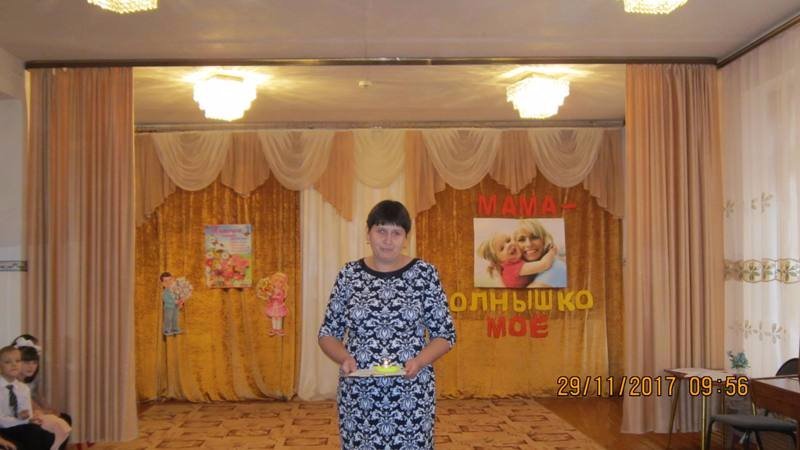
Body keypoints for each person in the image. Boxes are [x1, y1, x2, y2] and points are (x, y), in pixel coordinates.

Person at [318, 200, 456, 449]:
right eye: (381, 230)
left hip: (411, 394)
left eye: (396, 232)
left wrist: (419, 362)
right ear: (368, 233)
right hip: (359, 394)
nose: (388, 240)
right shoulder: (349, 275)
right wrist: (344, 358)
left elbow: (445, 334)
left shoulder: (425, 274)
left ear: (405, 238)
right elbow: (328, 333)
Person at [12, 338, 71, 450]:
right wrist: (45, 412)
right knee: (49, 427)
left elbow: (37, 401)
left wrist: (48, 411)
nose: (31, 366)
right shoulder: (13, 382)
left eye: (34, 363)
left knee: (62, 420)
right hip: (16, 421)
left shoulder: (25, 383)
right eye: (26, 362)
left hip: (28, 417)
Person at [0, 345, 55, 450]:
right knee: (32, 434)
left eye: (17, 361)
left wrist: (23, 416)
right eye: (8, 362)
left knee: (47, 436)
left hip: (17, 426)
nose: (14, 365)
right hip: (2, 429)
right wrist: (23, 421)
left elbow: (27, 414)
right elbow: (1, 421)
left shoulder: (23, 388)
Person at [477, 231, 557, 288]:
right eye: (502, 248)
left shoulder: (510, 263)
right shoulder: (513, 268)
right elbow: (544, 264)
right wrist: (552, 251)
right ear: (498, 260)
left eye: (508, 240)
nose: (508, 245)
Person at [513, 219, 567, 288]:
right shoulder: (518, 269)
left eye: (534, 237)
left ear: (543, 240)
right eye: (521, 240)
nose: (529, 244)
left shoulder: (556, 267)